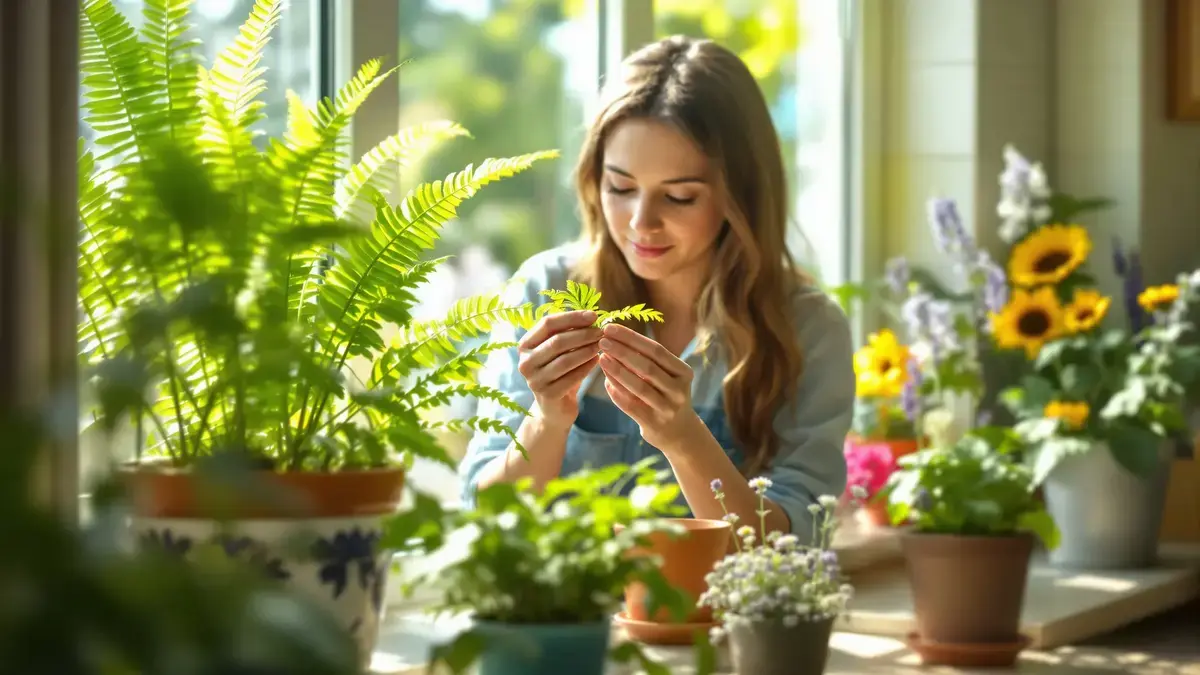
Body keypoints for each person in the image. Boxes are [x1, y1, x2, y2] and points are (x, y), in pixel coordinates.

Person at [457, 35, 854, 539]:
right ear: (592, 179)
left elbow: (792, 542)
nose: (642, 223)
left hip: (710, 618)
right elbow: (483, 519)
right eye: (620, 188)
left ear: (741, 198)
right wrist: (547, 420)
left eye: (680, 197)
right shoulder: (547, 290)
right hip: (564, 614)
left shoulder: (806, 330)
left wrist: (686, 439)